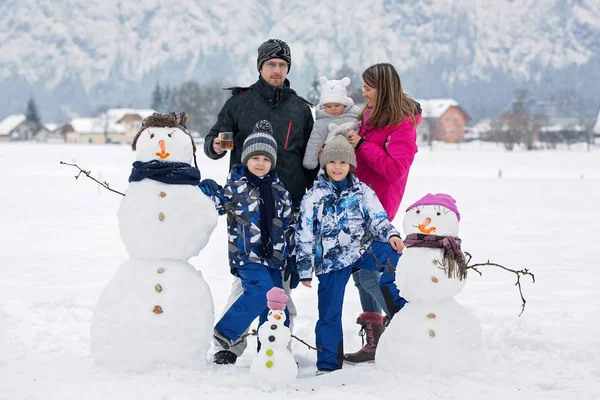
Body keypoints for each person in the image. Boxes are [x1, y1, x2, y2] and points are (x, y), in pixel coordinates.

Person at [202, 38, 317, 364]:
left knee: (281, 282)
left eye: (283, 65)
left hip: (287, 206)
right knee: (247, 280)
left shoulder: (300, 108)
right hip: (246, 207)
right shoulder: (239, 102)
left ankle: (275, 345)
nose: (277, 70)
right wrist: (217, 146)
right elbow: (212, 141)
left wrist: (308, 204)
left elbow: (309, 160)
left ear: (288, 69)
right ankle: (228, 346)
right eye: (271, 64)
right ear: (260, 67)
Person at [295, 131, 404, 374]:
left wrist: (391, 235)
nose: (337, 167)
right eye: (332, 162)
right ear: (324, 164)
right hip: (331, 259)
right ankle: (328, 363)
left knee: (391, 253)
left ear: (350, 165)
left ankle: (399, 308)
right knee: (329, 311)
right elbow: (304, 234)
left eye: (343, 162)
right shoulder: (314, 195)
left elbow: (378, 217)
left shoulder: (362, 190)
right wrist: (304, 268)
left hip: (361, 248)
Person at [339, 63, 422, 363]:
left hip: (378, 206)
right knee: (361, 274)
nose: (363, 93)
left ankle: (405, 327)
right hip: (356, 202)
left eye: (368, 88)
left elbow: (394, 168)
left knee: (371, 275)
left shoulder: (402, 125)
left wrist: (361, 144)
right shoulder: (370, 116)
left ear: (383, 88)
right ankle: (377, 339)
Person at [198, 121, 296, 364]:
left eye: (265, 158)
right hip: (247, 255)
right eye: (255, 158)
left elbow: (287, 226)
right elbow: (215, 207)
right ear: (246, 159)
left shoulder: (280, 191)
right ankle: (225, 333)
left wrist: (291, 259)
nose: (260, 163)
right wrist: (206, 192)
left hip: (275, 259)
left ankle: (270, 351)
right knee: (260, 291)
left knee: (276, 305)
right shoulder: (236, 187)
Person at [302, 76, 361, 169]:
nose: (333, 109)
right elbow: (314, 142)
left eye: (337, 105)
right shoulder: (321, 123)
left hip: (356, 160)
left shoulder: (355, 115)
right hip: (332, 163)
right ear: (323, 106)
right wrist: (310, 162)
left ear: (344, 103)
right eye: (328, 106)